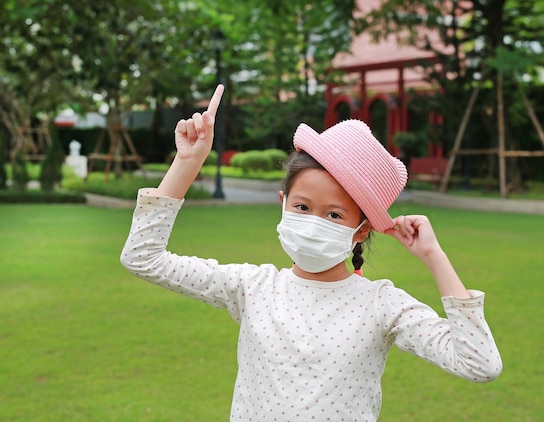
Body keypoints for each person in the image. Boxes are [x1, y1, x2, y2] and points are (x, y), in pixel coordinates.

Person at [120, 85, 502, 421]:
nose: (314, 220)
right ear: (283, 203)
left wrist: (434, 255)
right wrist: (186, 163)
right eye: (302, 207)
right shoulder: (252, 287)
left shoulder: (382, 304)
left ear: (362, 229)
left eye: (334, 214)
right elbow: (143, 258)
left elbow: (479, 363)